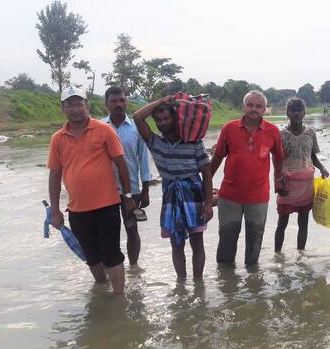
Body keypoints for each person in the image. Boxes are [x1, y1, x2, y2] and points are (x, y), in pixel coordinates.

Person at [47, 87, 134, 294]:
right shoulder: (57, 139)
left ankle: (119, 299)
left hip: (107, 205)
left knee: (112, 253)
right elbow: (55, 175)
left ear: (87, 105)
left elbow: (122, 165)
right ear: (63, 109)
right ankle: (102, 288)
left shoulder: (104, 130)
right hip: (77, 209)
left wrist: (128, 197)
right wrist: (55, 210)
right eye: (70, 105)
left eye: (79, 104)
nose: (75, 109)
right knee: (91, 255)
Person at [133, 95, 213, 279]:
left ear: (175, 118)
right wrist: (161, 101)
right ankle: (181, 283)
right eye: (158, 120)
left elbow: (206, 174)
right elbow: (137, 117)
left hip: (194, 196)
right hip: (170, 197)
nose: (162, 123)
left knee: (197, 242)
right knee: (176, 244)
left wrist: (208, 203)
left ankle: (198, 283)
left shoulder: (194, 142)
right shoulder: (155, 142)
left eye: (166, 118)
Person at [210, 90, 284, 266]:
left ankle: (253, 284)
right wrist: (205, 185)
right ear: (243, 107)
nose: (254, 109)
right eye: (250, 105)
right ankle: (227, 285)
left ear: (265, 109)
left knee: (255, 241)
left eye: (259, 106)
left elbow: (279, 158)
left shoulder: (272, 131)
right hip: (229, 196)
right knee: (227, 239)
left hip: (258, 197)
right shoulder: (229, 128)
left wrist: (277, 181)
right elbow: (218, 158)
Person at [103, 86, 153, 267]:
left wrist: (146, 190)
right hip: (104, 191)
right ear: (106, 104)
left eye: (122, 100)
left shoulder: (136, 129)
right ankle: (113, 267)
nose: (118, 104)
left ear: (127, 102)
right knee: (108, 233)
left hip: (131, 189)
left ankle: (133, 268)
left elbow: (144, 161)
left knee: (132, 229)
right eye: (114, 101)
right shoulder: (99, 127)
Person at [274, 97, 329, 252]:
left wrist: (322, 168)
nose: (296, 113)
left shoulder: (310, 133)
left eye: (299, 110)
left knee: (303, 223)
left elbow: (312, 156)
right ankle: (278, 255)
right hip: (287, 185)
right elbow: (276, 160)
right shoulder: (281, 135)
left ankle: (300, 256)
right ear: (287, 113)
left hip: (306, 185)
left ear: (304, 112)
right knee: (282, 223)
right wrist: (278, 181)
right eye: (293, 110)